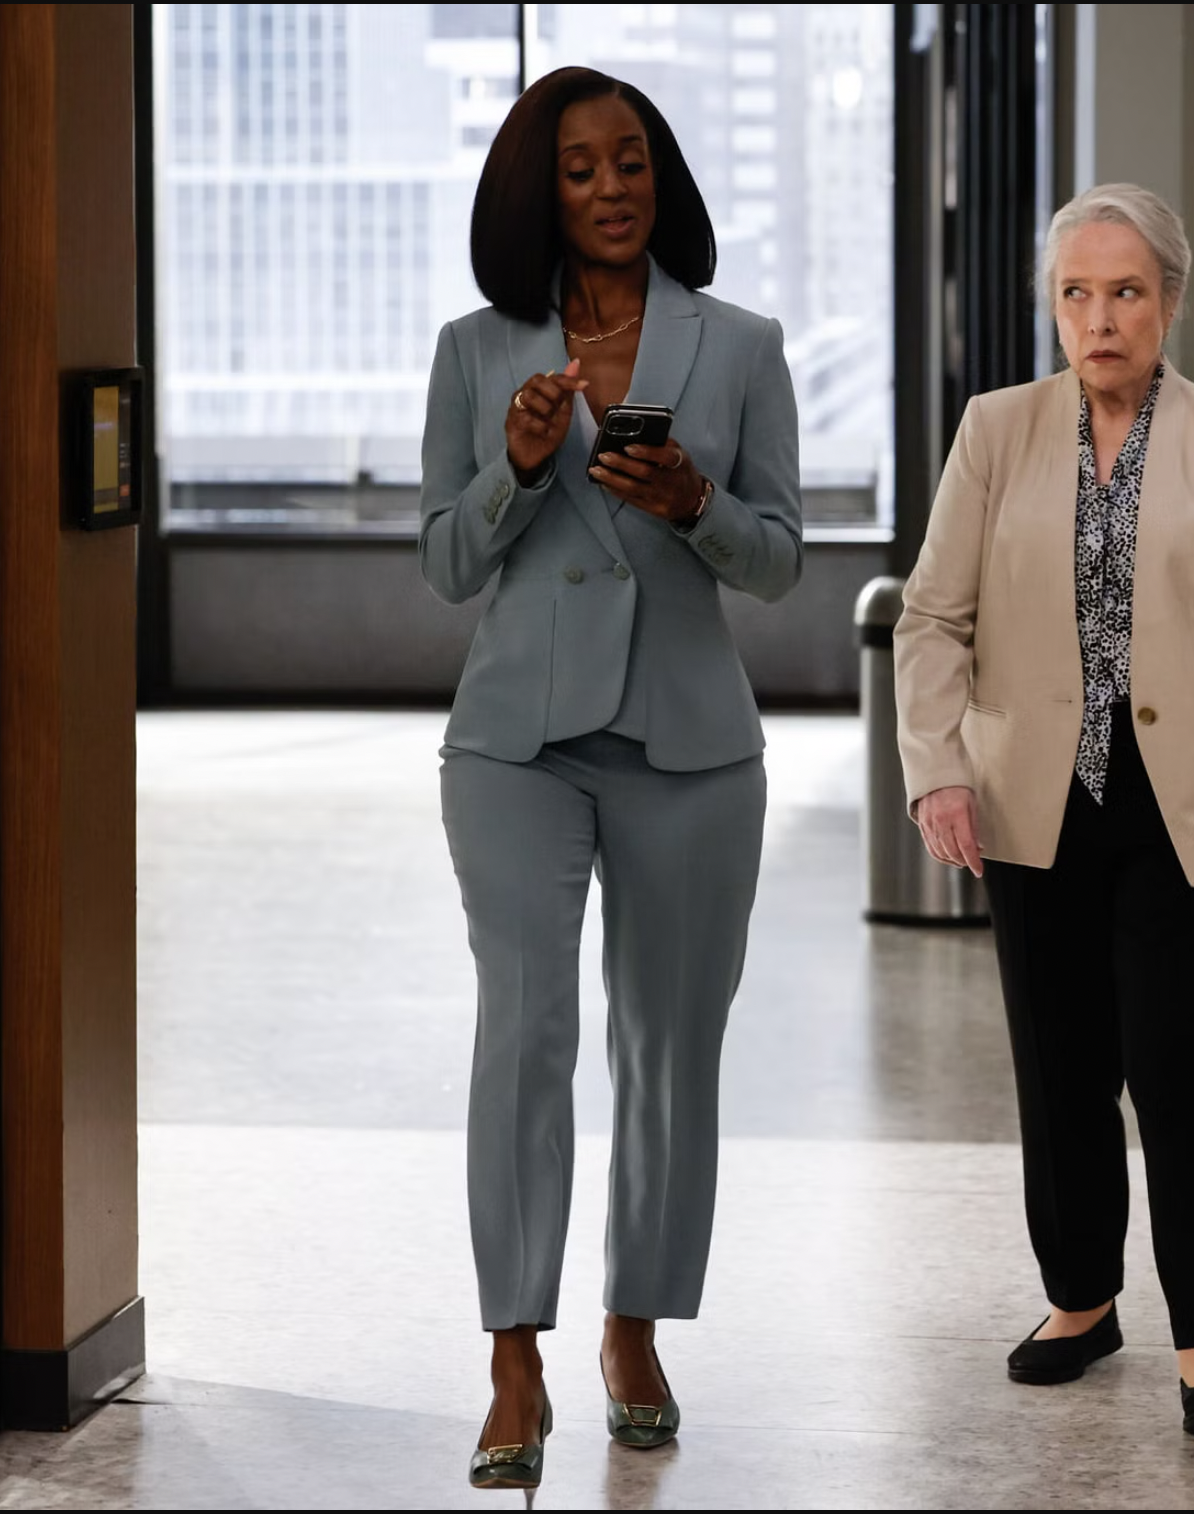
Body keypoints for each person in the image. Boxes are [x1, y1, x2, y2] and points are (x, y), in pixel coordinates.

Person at [894, 183, 1194, 1441]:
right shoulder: (995, 430)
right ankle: (1082, 1298)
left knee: (1185, 1074)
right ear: (1054, 306)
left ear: (1170, 303)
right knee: (1062, 1070)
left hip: (1189, 811)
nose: (1099, 318)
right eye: (1076, 293)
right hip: (1034, 803)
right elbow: (932, 617)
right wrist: (937, 764)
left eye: (1126, 291)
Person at [419, 65, 802, 1490]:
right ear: (540, 190)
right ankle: (512, 1352)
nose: (610, 187)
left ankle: (631, 1329)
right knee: (523, 1036)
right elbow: (445, 561)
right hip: (515, 745)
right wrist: (519, 466)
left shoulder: (741, 343)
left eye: (629, 159)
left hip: (691, 748)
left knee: (668, 1048)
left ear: (661, 174)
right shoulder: (475, 352)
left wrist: (697, 503)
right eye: (579, 167)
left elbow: (782, 560)